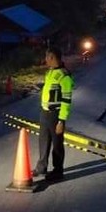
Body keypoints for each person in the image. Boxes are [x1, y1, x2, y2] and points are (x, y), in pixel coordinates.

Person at [33, 47, 74, 181]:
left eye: (47, 57)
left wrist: (61, 120)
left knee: (57, 144)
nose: (45, 60)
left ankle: (58, 171)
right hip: (44, 113)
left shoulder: (64, 76)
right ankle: (41, 167)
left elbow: (66, 101)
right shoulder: (50, 72)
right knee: (43, 141)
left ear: (52, 57)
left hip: (56, 115)